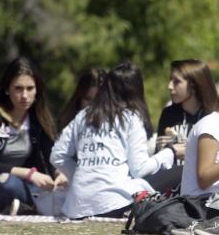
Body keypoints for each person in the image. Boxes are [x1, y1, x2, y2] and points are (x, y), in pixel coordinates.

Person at [50, 62, 183, 219]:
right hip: (114, 202)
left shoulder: (84, 115)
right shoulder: (131, 117)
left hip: (77, 206)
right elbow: (139, 169)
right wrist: (172, 152)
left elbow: (57, 155)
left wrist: (84, 176)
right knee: (182, 172)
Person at [0, 57, 63, 215]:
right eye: (18, 88)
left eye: (30, 88)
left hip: (26, 183)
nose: (24, 95)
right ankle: (33, 208)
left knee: (57, 187)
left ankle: (26, 207)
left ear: (37, 90)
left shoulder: (37, 118)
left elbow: (49, 155)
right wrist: (30, 174)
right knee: (8, 183)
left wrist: (59, 174)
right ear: (7, 89)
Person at [155, 59, 219, 153]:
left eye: (176, 81)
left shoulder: (215, 117)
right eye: (170, 80)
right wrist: (161, 149)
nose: (170, 86)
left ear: (194, 85)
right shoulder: (168, 113)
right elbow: (159, 159)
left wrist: (191, 151)